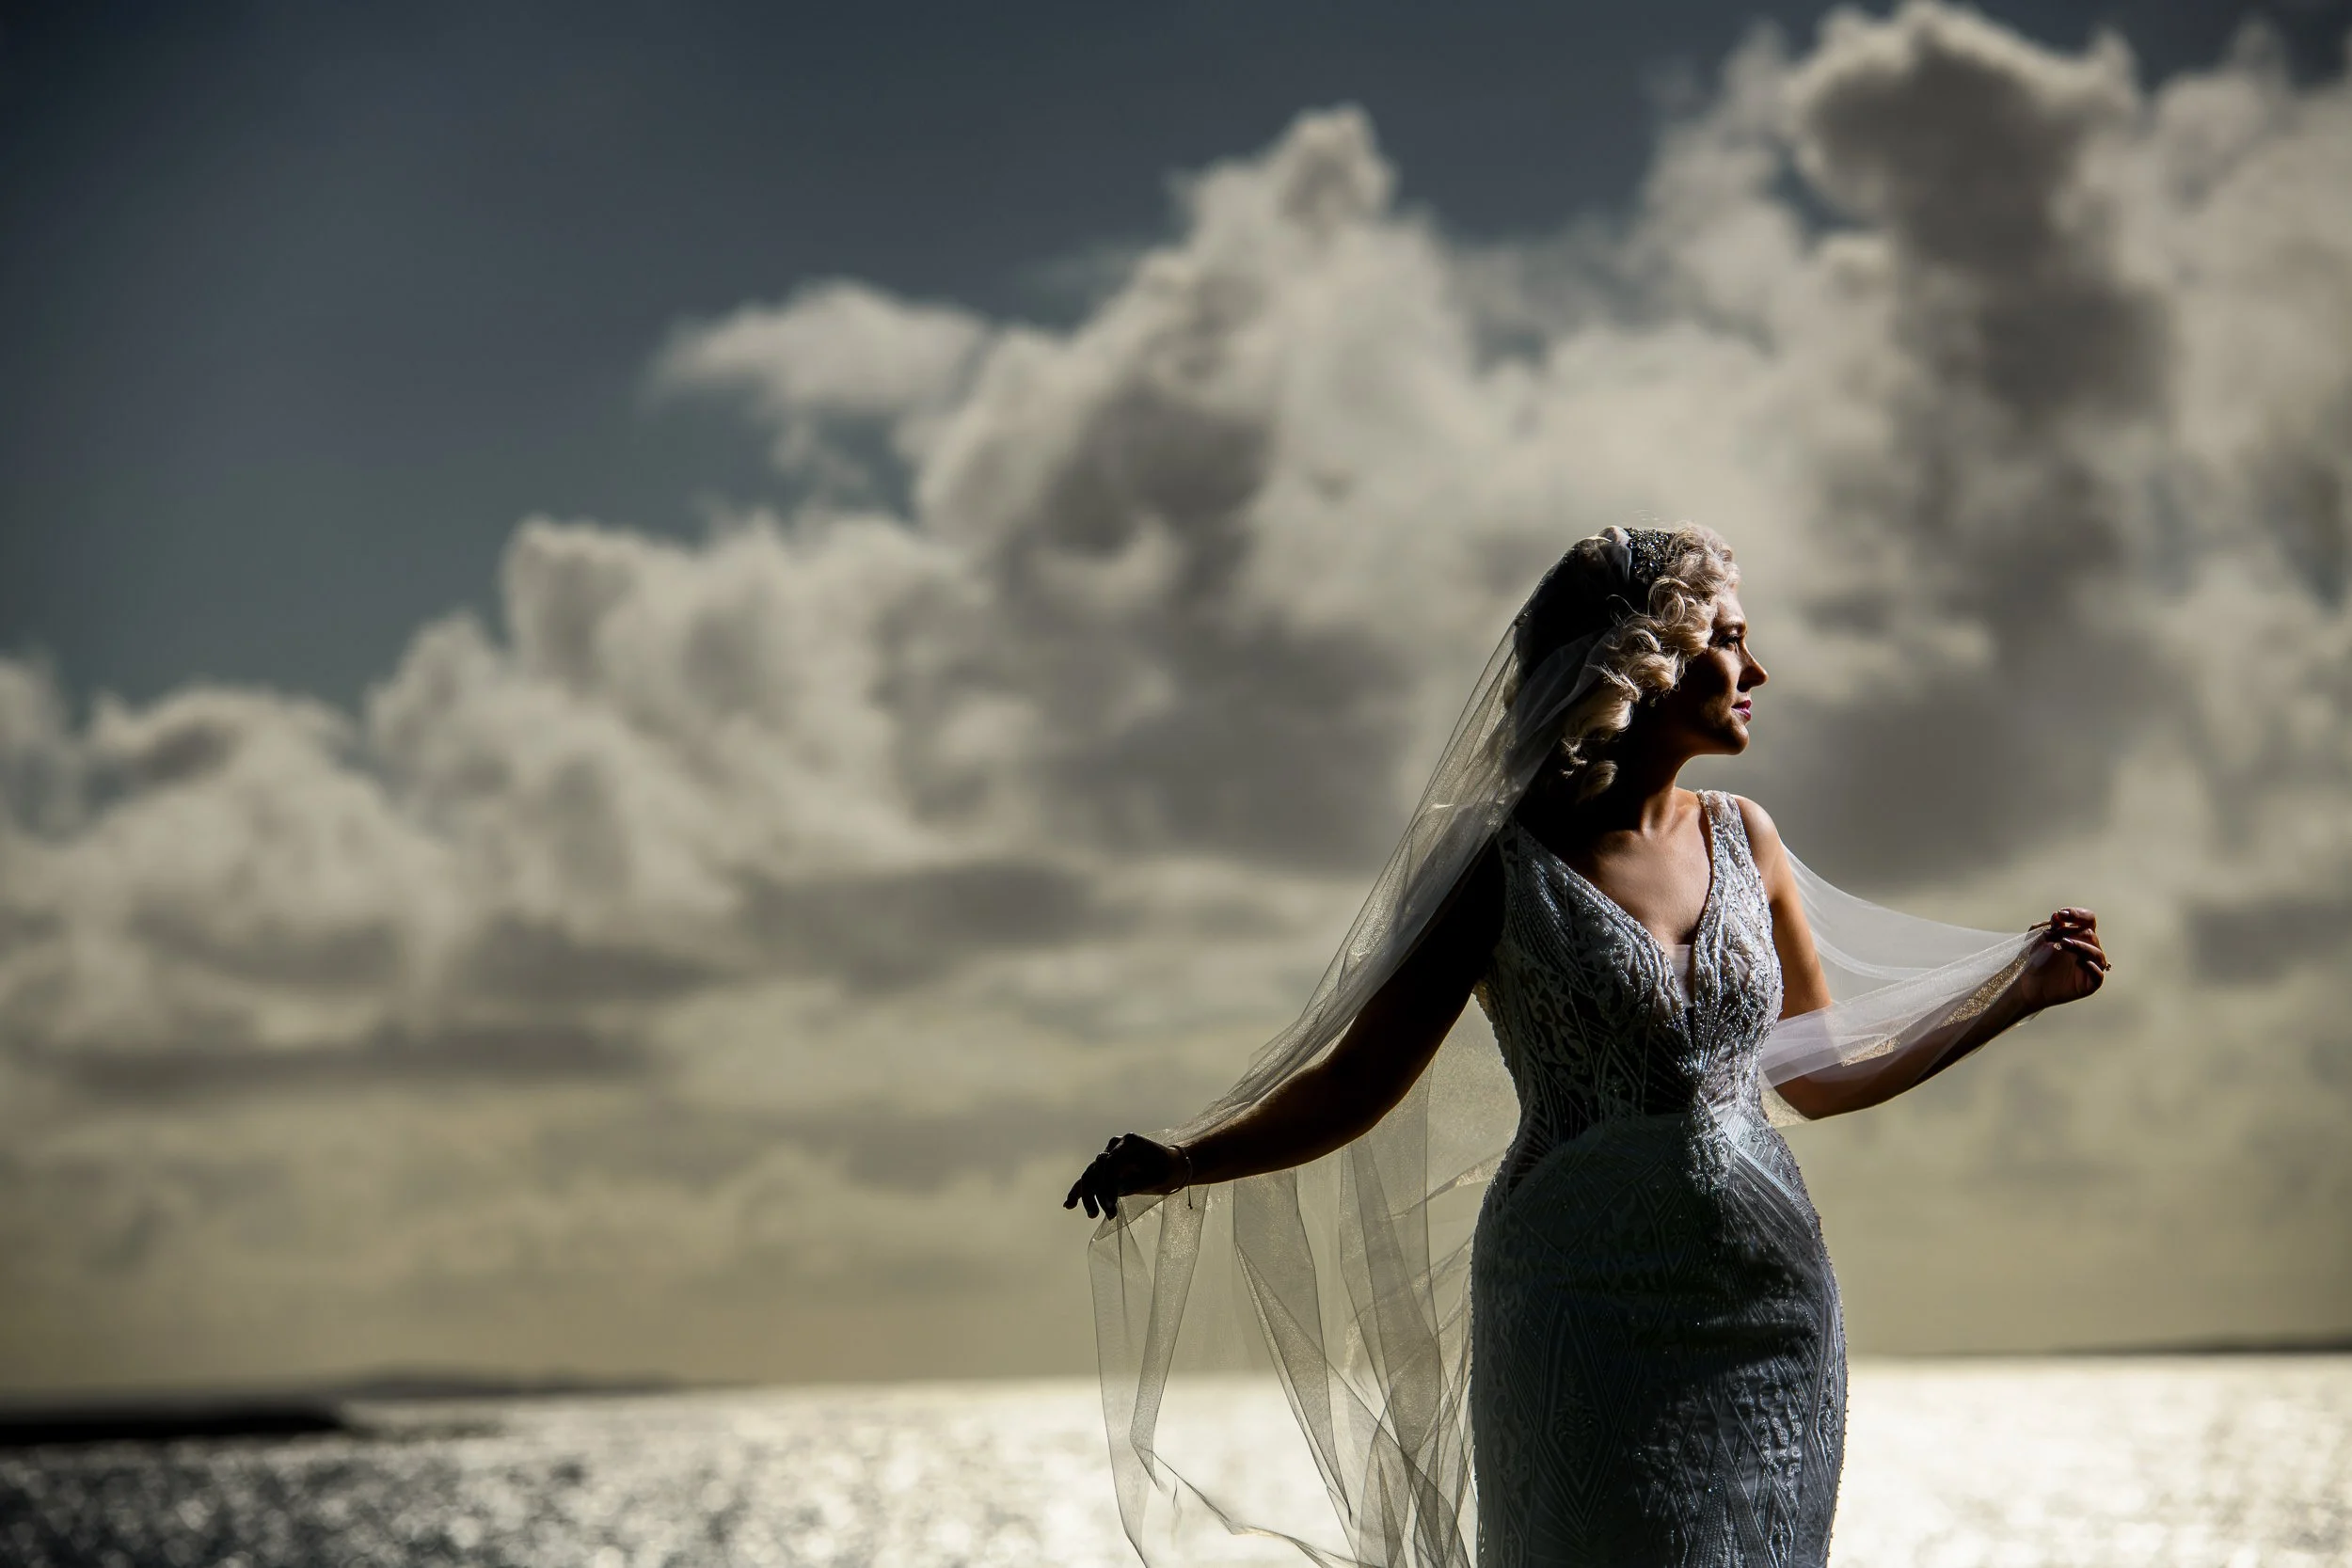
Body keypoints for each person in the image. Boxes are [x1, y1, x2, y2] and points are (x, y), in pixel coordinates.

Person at [1065, 525, 2110, 1568]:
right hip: (1573, 1307)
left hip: (1765, 1310)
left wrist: (2014, 994)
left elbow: (1818, 1071)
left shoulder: (1750, 838)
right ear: (1646, 660)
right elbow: (1357, 1083)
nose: (1756, 669)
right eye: (1730, 639)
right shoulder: (1497, 865)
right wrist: (1187, 1158)